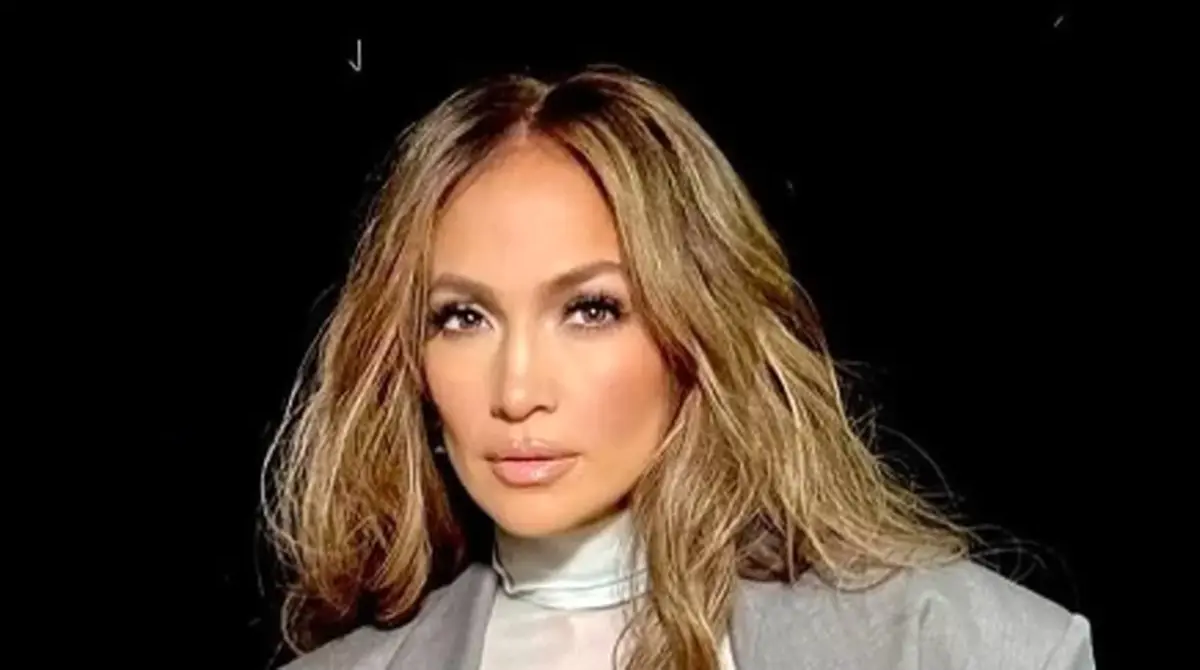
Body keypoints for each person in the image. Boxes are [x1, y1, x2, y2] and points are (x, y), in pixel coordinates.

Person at [262, 65, 1095, 670]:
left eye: (591, 309)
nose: (516, 392)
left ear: (692, 331)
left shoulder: (959, 647)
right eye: (463, 317)